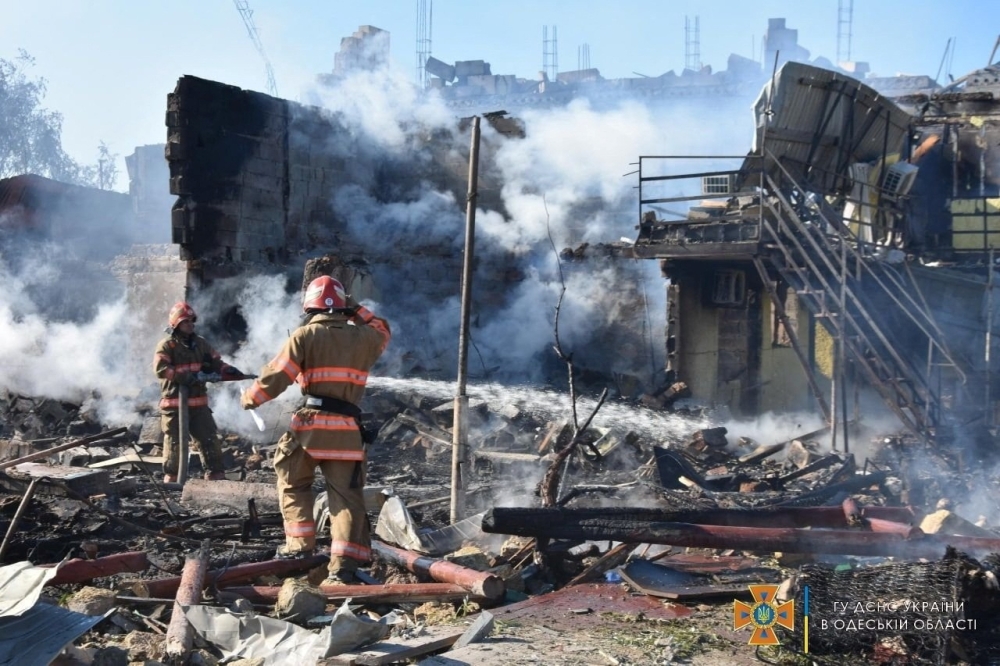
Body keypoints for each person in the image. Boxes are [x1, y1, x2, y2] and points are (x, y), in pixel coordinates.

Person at [241, 276, 391, 584]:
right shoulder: (364, 337)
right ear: (342, 306)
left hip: (310, 429)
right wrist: (354, 309)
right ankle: (345, 564)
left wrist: (250, 398)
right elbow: (382, 328)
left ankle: (299, 547)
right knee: (346, 497)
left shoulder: (304, 335)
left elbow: (277, 375)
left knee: (293, 481)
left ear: (309, 306)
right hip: (347, 433)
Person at [153, 301, 245, 483]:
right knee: (174, 444)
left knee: (209, 439)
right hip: (175, 405)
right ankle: (172, 480)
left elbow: (215, 362)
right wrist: (182, 377)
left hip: (198, 404)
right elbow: (160, 368)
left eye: (192, 321)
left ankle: (215, 478)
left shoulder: (200, 344)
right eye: (186, 321)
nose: (190, 325)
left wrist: (228, 370)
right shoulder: (167, 345)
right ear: (176, 324)